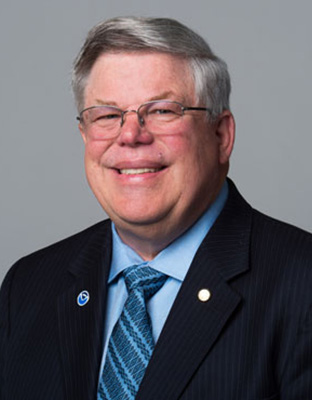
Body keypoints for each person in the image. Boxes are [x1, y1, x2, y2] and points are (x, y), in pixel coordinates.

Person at [0, 16, 311, 400]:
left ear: (221, 136)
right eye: (108, 115)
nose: (130, 136)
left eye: (163, 110)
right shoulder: (27, 287)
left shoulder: (302, 285)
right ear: (84, 133)